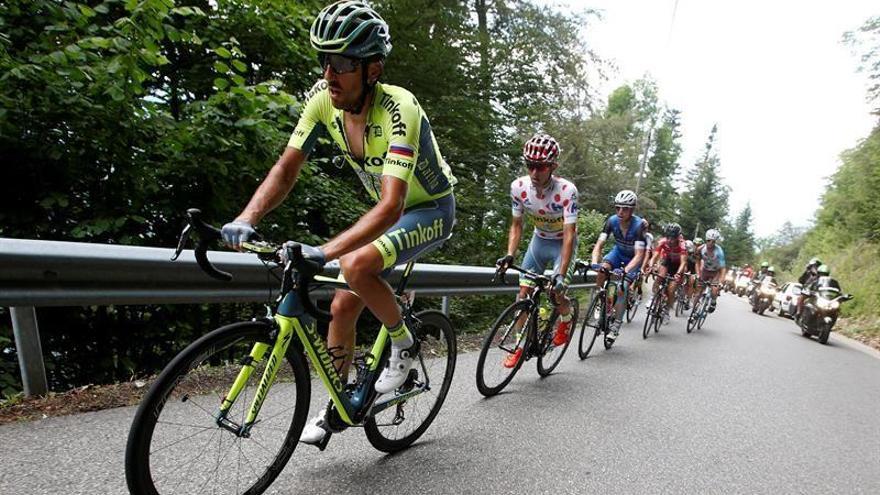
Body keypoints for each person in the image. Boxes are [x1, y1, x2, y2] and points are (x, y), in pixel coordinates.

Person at [221, 1, 457, 446]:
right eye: (325, 60)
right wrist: (247, 216)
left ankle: (404, 344)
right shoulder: (320, 100)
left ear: (372, 69)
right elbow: (287, 168)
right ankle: (340, 401)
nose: (330, 74)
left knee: (355, 265)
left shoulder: (399, 107)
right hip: (391, 211)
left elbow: (391, 206)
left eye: (344, 63)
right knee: (342, 305)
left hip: (430, 210)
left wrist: (325, 252)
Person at [497, 133, 578, 367]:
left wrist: (560, 273)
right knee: (522, 295)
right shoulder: (518, 188)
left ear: (553, 166)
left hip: (562, 244)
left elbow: (570, 233)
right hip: (538, 241)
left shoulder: (566, 191)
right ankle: (519, 347)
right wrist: (510, 254)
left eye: (540, 167)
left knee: (555, 292)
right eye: (530, 165)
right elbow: (516, 225)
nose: (534, 173)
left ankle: (566, 318)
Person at [590, 189, 647, 340]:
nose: (620, 212)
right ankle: (599, 298)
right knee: (602, 270)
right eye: (618, 208)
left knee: (622, 288)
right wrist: (594, 262)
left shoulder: (639, 225)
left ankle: (616, 325)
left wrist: (625, 270)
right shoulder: (611, 221)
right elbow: (599, 245)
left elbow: (639, 255)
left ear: (632, 209)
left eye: (625, 208)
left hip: (632, 259)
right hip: (617, 252)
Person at [646, 223, 687, 324]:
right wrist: (651, 266)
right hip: (667, 262)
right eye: (668, 237)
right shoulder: (663, 242)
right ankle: (653, 297)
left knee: (671, 289)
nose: (670, 240)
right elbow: (654, 256)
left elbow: (683, 263)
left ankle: (666, 311)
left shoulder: (682, 245)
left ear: (678, 237)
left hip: (678, 267)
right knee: (659, 278)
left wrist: (678, 274)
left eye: (672, 237)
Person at [695, 228, 726, 312]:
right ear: (706, 239)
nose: (710, 243)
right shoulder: (700, 249)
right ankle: (694, 312)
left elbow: (723, 269)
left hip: (715, 272)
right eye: (709, 240)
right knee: (698, 293)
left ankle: (713, 302)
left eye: (713, 241)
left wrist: (721, 282)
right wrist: (698, 273)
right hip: (705, 271)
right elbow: (697, 261)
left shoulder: (719, 252)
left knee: (714, 290)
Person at [795, 257, 822, 321]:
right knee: (801, 298)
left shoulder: (822, 274)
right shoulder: (808, 273)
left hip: (818, 292)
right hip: (808, 290)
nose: (815, 267)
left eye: (817, 266)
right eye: (814, 266)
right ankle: (798, 313)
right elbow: (801, 280)